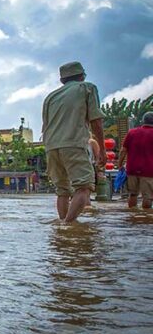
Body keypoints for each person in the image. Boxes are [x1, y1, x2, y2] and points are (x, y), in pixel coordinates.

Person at [41, 61, 105, 224]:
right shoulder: (87, 88)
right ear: (82, 76)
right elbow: (96, 121)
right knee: (84, 187)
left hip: (51, 147)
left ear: (62, 80)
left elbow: (45, 125)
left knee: (62, 191)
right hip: (74, 144)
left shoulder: (51, 96)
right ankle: (68, 225)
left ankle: (63, 229)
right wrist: (103, 150)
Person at [119, 111, 153, 209]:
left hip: (132, 169)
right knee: (148, 197)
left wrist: (120, 164)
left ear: (143, 121)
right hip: (149, 170)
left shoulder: (132, 132)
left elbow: (123, 150)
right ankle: (144, 220)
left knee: (133, 194)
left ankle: (132, 216)